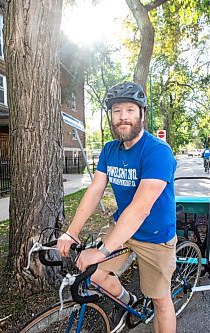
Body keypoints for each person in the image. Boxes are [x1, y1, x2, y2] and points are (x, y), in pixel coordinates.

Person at [57, 81, 177, 333]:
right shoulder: (110, 150)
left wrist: (101, 251)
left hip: (155, 236)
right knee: (94, 275)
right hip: (121, 228)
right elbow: (95, 190)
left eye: (130, 110)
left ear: (142, 114)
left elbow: (140, 208)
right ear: (110, 116)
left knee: (161, 302)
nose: (123, 117)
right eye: (116, 110)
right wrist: (72, 231)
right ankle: (128, 303)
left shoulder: (158, 152)